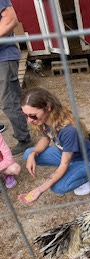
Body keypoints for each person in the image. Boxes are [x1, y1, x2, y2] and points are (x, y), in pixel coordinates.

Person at [17, 87, 90, 204]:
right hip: (65, 153)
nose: (29, 120)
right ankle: (74, 171)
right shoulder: (45, 119)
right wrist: (34, 153)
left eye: (33, 115)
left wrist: (39, 189)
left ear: (48, 107)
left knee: (58, 187)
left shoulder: (67, 130)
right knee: (28, 153)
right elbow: (45, 138)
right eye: (26, 116)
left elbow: (64, 165)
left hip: (86, 160)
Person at [0, 1, 32, 155]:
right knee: (12, 98)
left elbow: (10, 20)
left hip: (3, 57)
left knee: (10, 101)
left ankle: (24, 139)